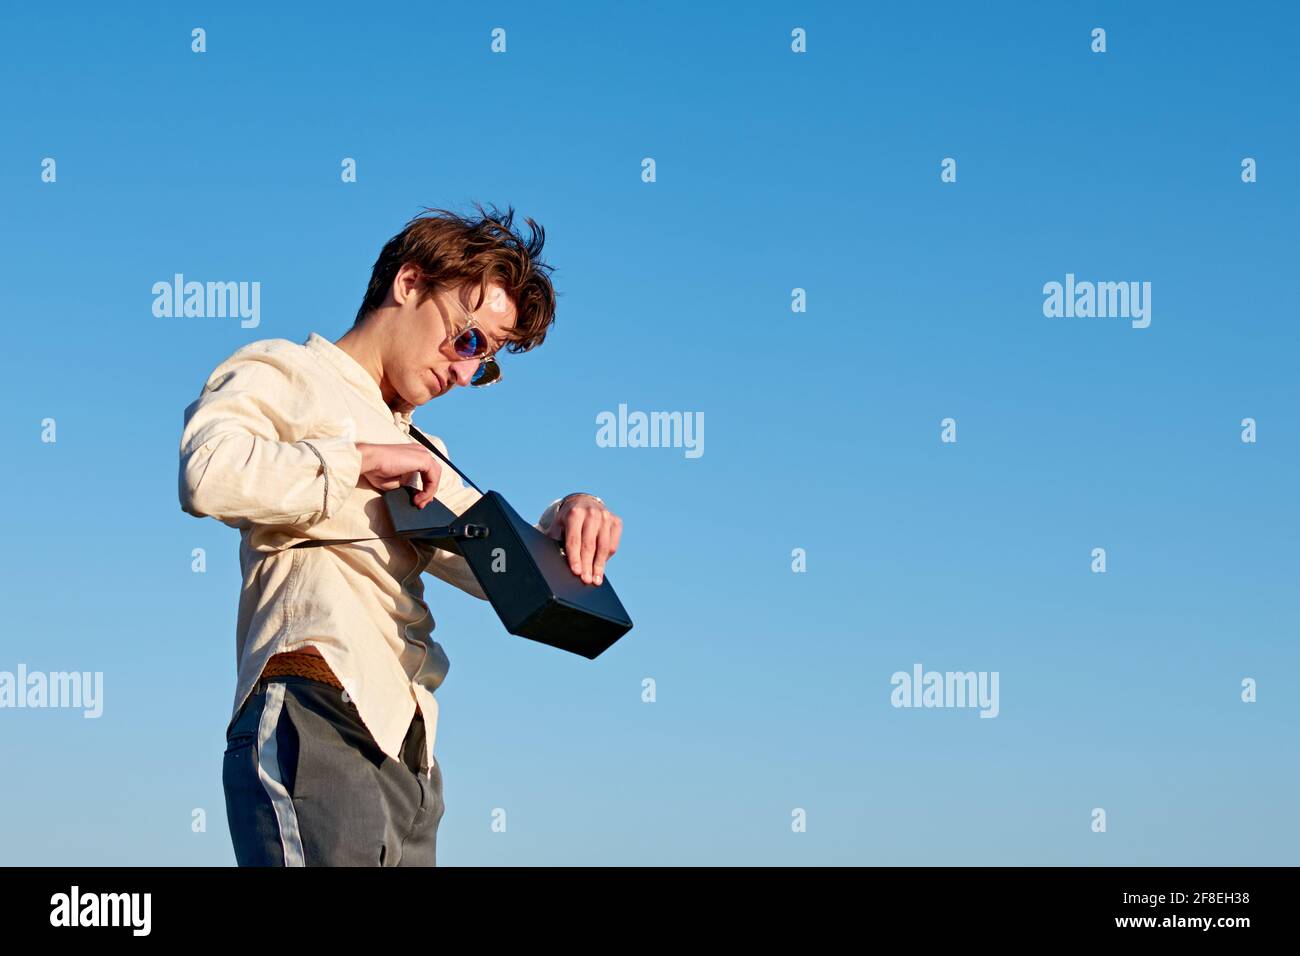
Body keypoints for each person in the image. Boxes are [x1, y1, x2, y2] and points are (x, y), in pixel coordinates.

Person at [177, 204, 624, 866]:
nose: (467, 373)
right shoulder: (286, 370)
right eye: (469, 340)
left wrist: (572, 511)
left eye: (488, 361)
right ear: (409, 284)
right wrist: (354, 460)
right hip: (318, 699)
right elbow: (208, 475)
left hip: (410, 751)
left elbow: (499, 564)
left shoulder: (424, 449)